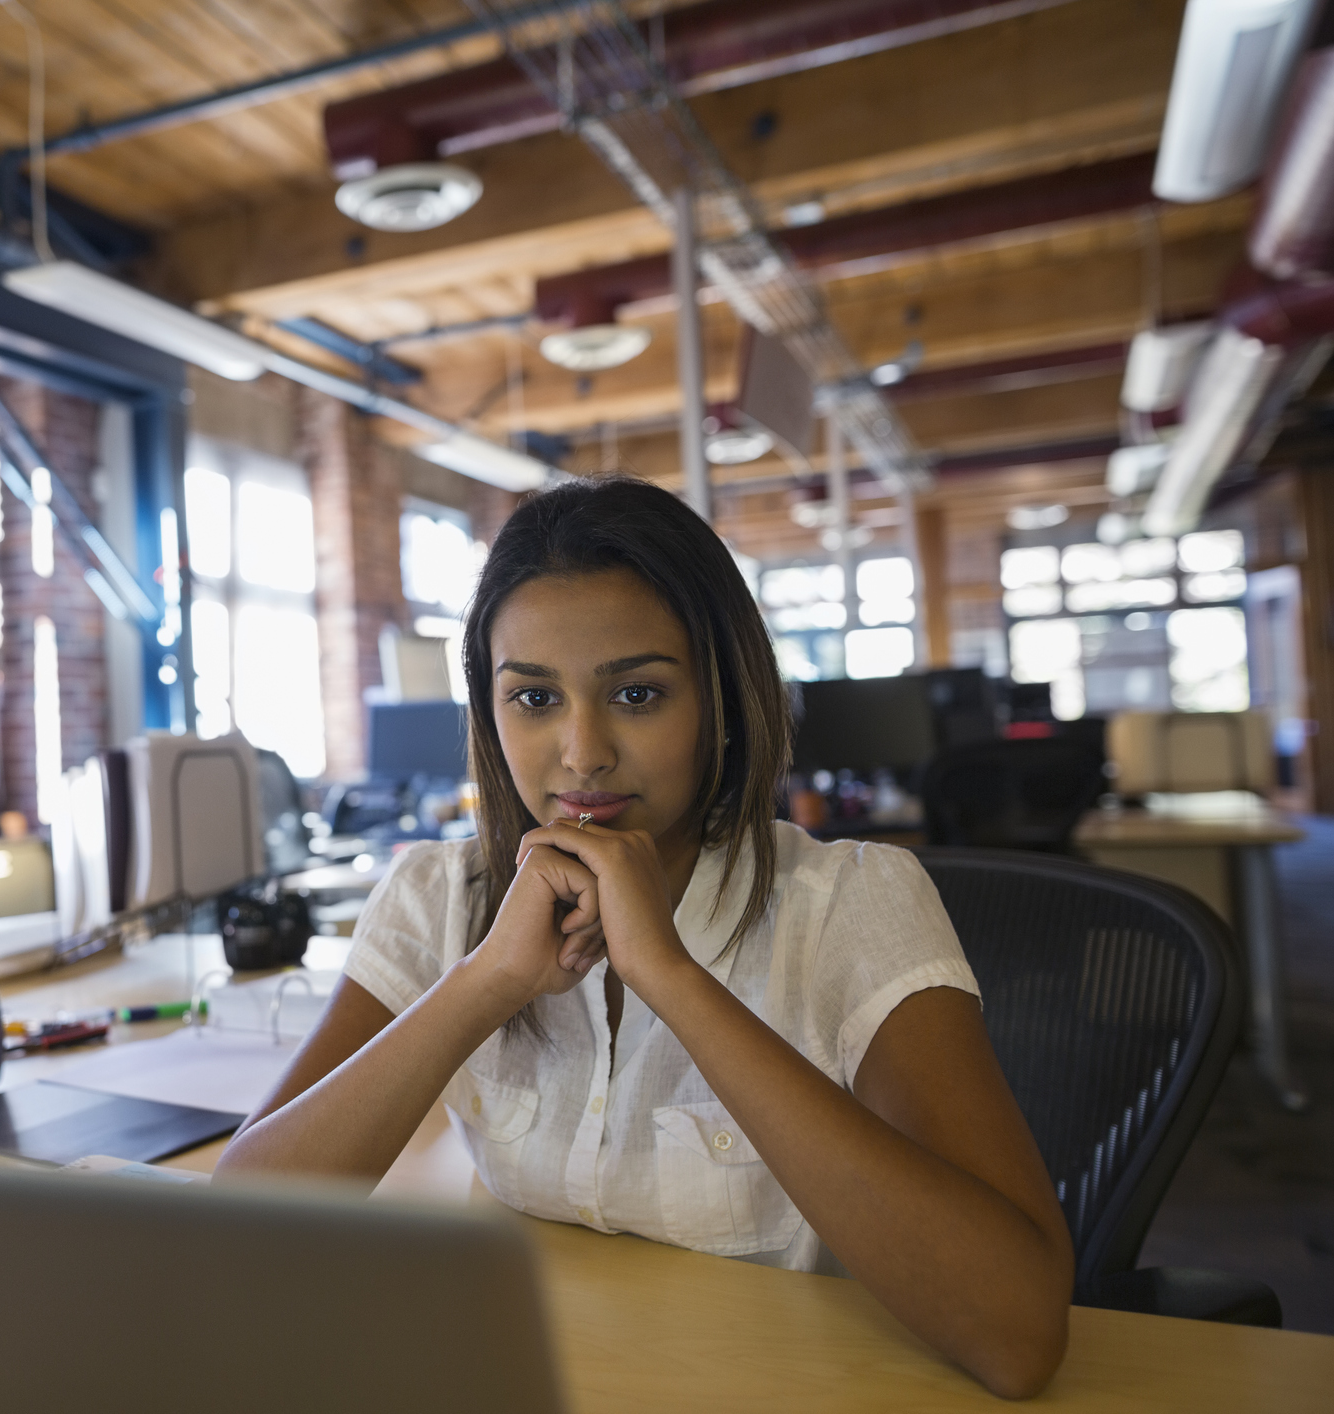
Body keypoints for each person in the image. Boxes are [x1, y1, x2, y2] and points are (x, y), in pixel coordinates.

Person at [214, 476, 1073, 1398]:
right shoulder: (436, 894)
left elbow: (1016, 1336)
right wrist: (484, 982)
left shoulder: (848, 902)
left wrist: (667, 973)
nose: (582, 754)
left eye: (635, 693)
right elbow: (240, 1236)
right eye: (533, 700)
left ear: (720, 700)